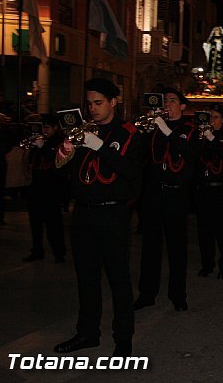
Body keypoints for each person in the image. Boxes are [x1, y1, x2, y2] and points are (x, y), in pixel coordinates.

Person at [54, 78, 141, 357]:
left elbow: (131, 171)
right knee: (86, 278)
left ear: (113, 102)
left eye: (99, 103)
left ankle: (123, 339)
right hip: (83, 213)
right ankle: (88, 333)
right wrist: (67, 147)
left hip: (113, 213)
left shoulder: (128, 133)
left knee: (118, 279)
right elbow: (63, 169)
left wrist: (99, 145)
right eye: (89, 103)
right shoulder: (82, 131)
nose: (93, 108)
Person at [135, 87, 198, 312]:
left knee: (177, 246)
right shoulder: (154, 128)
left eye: (172, 100)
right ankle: (146, 293)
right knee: (150, 245)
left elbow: (190, 154)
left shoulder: (190, 130)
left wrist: (167, 131)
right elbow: (141, 154)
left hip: (177, 194)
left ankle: (178, 294)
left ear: (182, 106)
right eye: (165, 101)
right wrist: (147, 131)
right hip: (153, 193)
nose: (168, 104)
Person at [195, 104, 223, 279]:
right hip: (204, 190)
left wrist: (211, 138)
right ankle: (207, 265)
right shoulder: (201, 137)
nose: (212, 121)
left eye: (216, 117)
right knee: (204, 231)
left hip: (220, 190)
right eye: (210, 117)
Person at [23, 114, 66, 263]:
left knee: (53, 223)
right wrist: (33, 150)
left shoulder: (60, 142)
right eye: (44, 127)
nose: (45, 130)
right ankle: (37, 250)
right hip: (36, 187)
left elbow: (58, 160)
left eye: (48, 127)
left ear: (55, 128)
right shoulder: (43, 140)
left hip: (52, 189)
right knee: (35, 222)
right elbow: (31, 163)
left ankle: (59, 252)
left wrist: (44, 147)